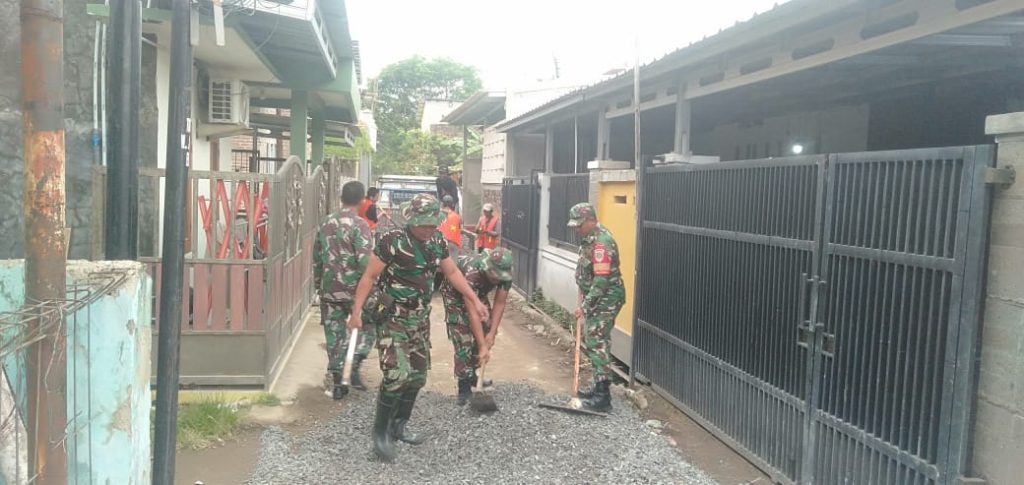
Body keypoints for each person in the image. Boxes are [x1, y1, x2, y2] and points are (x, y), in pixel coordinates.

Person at [348, 194, 490, 462]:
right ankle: (380, 434)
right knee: (396, 375)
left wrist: (474, 299)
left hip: (420, 319)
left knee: (416, 376)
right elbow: (369, 276)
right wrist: (356, 313)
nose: (428, 229)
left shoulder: (437, 241)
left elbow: (452, 273)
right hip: (394, 317)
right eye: (424, 224)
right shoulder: (392, 241)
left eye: (432, 224)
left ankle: (399, 426)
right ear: (411, 220)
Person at [313, 181, 374, 400]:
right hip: (355, 290)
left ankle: (339, 381)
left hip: (330, 289)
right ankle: (354, 362)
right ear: (362, 200)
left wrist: (319, 284)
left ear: (341, 198)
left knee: (334, 334)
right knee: (369, 325)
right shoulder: (360, 225)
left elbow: (317, 257)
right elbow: (365, 261)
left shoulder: (326, 222)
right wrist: (372, 287)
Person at [567, 202, 625, 413]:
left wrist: (584, 306)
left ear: (591, 220)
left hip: (606, 298)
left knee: (596, 340)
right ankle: (598, 386)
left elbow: (601, 281)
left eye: (579, 224)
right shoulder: (589, 238)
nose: (577, 228)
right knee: (596, 340)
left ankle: (603, 397)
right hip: (597, 297)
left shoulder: (602, 243)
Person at [440, 248, 513, 405]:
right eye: (494, 275)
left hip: (478, 294)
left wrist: (491, 334)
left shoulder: (505, 276)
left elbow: (500, 303)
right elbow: (473, 314)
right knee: (463, 338)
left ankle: (472, 375)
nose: (496, 279)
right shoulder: (472, 273)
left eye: (499, 276)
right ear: (487, 267)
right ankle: (463, 386)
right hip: (455, 295)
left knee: (485, 329)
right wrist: (482, 345)